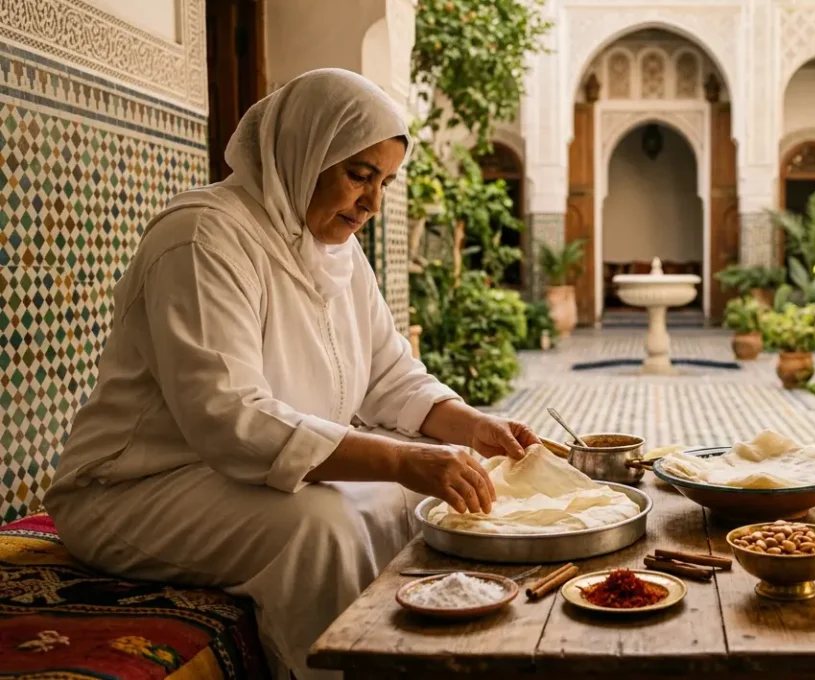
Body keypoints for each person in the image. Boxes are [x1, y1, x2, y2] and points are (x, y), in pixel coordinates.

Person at [42, 68, 538, 680]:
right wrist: (400, 458)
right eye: (359, 175)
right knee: (322, 529)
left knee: (421, 490)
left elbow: (388, 373)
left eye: (384, 182)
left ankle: (418, 662)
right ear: (305, 150)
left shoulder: (335, 249)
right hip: (135, 489)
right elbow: (230, 416)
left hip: (244, 473)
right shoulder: (202, 236)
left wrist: (471, 426)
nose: (373, 203)